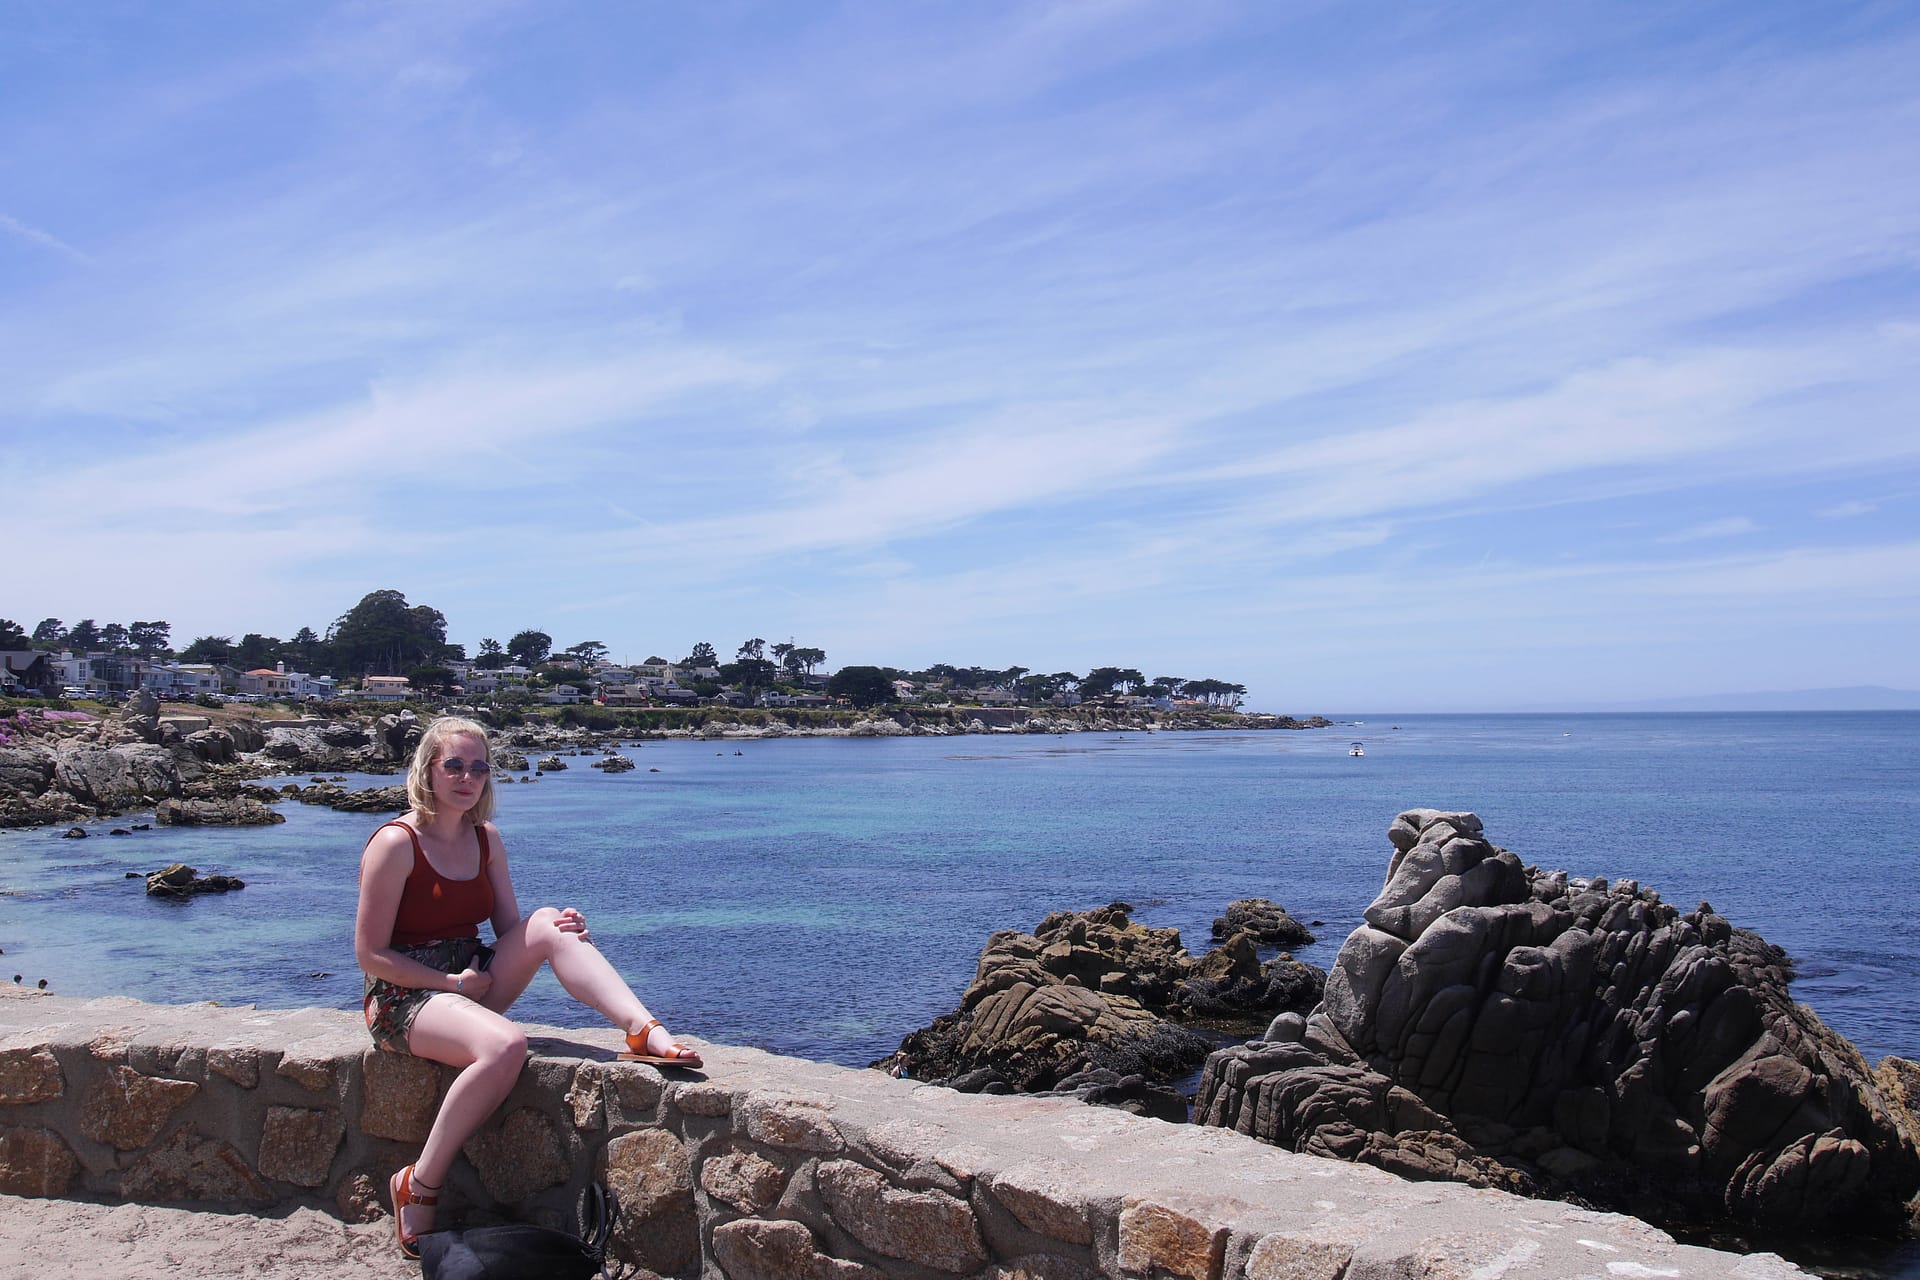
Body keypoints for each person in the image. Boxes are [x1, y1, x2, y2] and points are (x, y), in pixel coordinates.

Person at [355, 715, 702, 1259]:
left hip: (470, 981)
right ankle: (418, 1183)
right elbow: (371, 955)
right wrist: (449, 982)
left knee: (547, 921)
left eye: (478, 768)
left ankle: (644, 1030)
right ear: (427, 770)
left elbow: (509, 931)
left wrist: (560, 929)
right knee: (506, 1045)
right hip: (405, 997)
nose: (467, 778)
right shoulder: (396, 844)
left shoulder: (486, 840)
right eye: (454, 765)